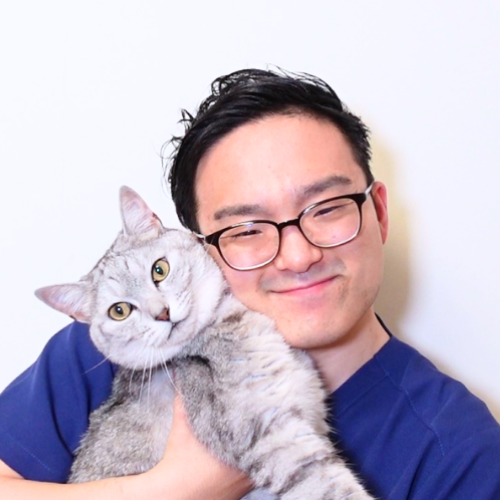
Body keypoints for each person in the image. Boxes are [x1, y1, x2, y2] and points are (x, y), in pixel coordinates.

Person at [1, 68, 499, 499]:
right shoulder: (106, 355)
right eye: (246, 230)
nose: (298, 256)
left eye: (326, 209)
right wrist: (171, 489)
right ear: (203, 246)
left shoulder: (459, 451)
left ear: (380, 213)